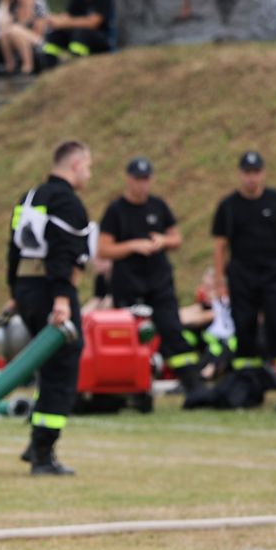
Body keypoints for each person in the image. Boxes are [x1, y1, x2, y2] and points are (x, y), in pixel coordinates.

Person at [7, 139, 95, 477]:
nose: (89, 173)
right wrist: (61, 298)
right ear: (74, 166)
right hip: (52, 290)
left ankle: (36, 444)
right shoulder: (67, 202)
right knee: (63, 369)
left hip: (27, 287)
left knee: (48, 368)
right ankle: (43, 451)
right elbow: (62, 253)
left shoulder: (30, 197)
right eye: (87, 166)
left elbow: (12, 248)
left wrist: (14, 291)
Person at [99, 156, 198, 388]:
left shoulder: (158, 206)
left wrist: (162, 240)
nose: (142, 184)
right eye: (137, 179)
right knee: (128, 335)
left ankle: (193, 385)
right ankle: (126, 383)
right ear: (128, 179)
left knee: (172, 329)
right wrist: (133, 245)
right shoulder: (116, 211)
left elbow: (177, 239)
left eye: (146, 179)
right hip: (128, 282)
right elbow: (103, 249)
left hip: (159, 280)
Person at [211, 150, 276, 392]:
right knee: (244, 326)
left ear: (263, 173)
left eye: (256, 172)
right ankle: (247, 384)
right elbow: (220, 246)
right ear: (240, 174)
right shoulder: (229, 206)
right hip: (242, 274)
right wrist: (220, 281)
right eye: (247, 173)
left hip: (273, 272)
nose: (252, 178)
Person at [44, 0, 114, 62]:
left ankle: (78, 65)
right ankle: (49, 70)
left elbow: (93, 23)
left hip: (102, 38)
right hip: (77, 35)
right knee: (55, 35)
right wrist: (55, 19)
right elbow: (67, 16)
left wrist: (64, 23)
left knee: (80, 33)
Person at [0, 0, 53, 76]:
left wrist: (18, 29)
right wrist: (6, 2)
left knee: (14, 29)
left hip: (40, 42)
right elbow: (1, 25)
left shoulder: (38, 3)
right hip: (20, 41)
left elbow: (39, 32)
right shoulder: (14, 7)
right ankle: (10, 65)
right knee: (4, 33)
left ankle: (28, 66)